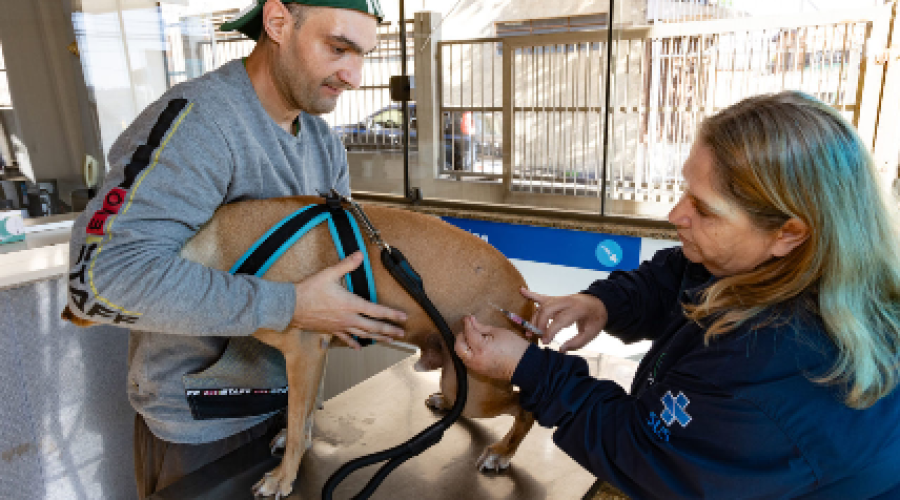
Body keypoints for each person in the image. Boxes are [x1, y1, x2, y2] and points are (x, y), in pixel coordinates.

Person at [455, 91, 900, 499]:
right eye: (686, 190)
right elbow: (678, 277)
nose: (675, 214)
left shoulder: (777, 365)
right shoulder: (773, 262)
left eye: (704, 209)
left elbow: (645, 454)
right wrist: (604, 303)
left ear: (789, 232)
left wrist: (530, 368)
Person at [65, 0, 406, 497]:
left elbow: (334, 265)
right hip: (203, 429)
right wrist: (291, 306)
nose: (353, 76)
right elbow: (100, 280)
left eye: (363, 56)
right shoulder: (200, 124)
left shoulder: (321, 141)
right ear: (277, 23)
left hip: (290, 413)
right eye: (338, 48)